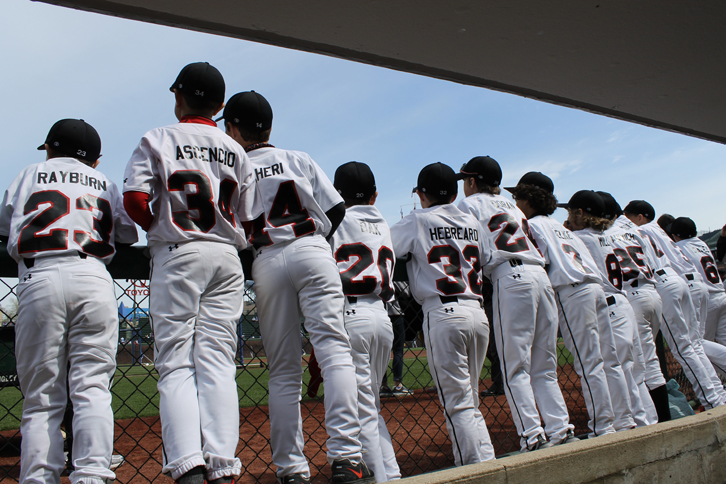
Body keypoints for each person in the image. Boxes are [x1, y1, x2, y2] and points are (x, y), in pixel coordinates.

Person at [219, 90, 374, 484]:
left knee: (284, 370)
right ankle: (346, 458)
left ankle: (291, 468)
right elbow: (337, 209)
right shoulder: (297, 158)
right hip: (311, 248)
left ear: (233, 128)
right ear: (269, 126)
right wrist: (314, 243)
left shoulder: (234, 168)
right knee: (335, 352)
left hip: (266, 259)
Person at [123, 62, 259, 484]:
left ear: (179, 98)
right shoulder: (236, 150)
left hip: (178, 251)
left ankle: (187, 465)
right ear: (220, 105)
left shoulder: (158, 137)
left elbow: (133, 199)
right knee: (217, 362)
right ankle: (223, 465)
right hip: (226, 257)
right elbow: (250, 219)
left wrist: (159, 226)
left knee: (177, 364)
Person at [0, 118, 138, 483]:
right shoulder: (105, 182)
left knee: (42, 397)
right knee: (92, 387)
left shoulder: (31, 173)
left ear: (49, 148)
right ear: (95, 159)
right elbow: (126, 233)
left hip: (40, 274)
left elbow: (4, 225)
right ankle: (92, 474)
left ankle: (38, 477)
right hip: (93, 276)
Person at [456, 156, 575, 451]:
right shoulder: (512, 205)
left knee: (515, 366)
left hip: (511, 278)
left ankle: (532, 435)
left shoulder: (469, 205)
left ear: (472, 181)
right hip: (541, 277)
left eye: (465, 182)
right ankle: (561, 429)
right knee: (544, 365)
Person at [390, 162, 495, 465]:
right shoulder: (472, 221)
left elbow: (385, 247)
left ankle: (474, 470)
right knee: (470, 401)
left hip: (443, 313)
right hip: (477, 312)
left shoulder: (417, 219)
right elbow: (486, 258)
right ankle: (487, 462)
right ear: (453, 192)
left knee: (458, 405)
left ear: (422, 194)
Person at [506, 172, 618, 437]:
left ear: (529, 200)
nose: (515, 202)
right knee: (603, 362)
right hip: (595, 288)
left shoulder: (531, 225)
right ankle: (617, 422)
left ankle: (603, 427)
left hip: (572, 291)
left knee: (588, 364)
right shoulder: (560, 226)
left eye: (518, 197)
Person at [330, 161, 401, 482]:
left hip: (351, 316)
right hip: (383, 317)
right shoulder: (384, 223)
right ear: (374, 196)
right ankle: (393, 474)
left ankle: (380, 479)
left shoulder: (335, 219)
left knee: (361, 411)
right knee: (369, 408)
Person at [562, 191, 653, 427]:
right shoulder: (606, 236)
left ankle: (623, 423)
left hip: (606, 307)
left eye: (571, 212)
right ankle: (643, 423)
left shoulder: (580, 237)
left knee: (612, 369)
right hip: (621, 304)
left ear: (580, 213)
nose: (568, 218)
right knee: (629, 373)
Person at [623, 200, 726, 409]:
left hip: (667, 283)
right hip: (692, 283)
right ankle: (718, 394)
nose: (627, 221)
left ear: (640, 217)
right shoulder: (659, 230)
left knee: (685, 348)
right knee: (695, 344)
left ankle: (713, 401)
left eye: (629, 217)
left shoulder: (639, 230)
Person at [598, 192, 671, 422]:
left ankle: (646, 420)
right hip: (652, 292)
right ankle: (662, 417)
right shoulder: (634, 231)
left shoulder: (602, 234)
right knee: (650, 362)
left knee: (634, 365)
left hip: (629, 296)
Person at [669, 217, 726, 374]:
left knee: (701, 346)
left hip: (707, 299)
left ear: (675, 235)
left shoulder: (678, 247)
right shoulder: (702, 244)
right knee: (721, 343)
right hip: (721, 293)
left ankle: (714, 387)